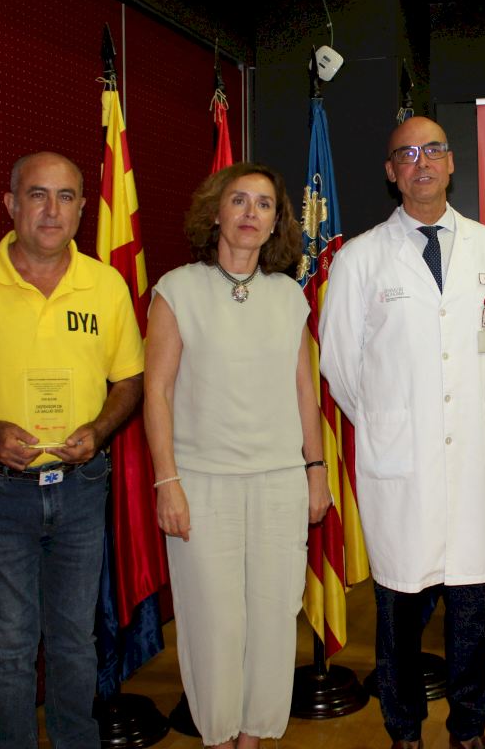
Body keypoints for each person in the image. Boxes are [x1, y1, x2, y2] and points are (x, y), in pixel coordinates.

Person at [0, 152, 145, 748]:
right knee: (9, 649)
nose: (51, 210)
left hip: (81, 490)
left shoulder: (106, 284)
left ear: (83, 209)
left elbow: (129, 380)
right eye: (38, 195)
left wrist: (100, 429)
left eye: (66, 197)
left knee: (75, 643)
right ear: (12, 205)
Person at [319, 116, 485, 749]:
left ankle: (469, 728)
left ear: (451, 162)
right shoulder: (358, 258)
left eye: (433, 149)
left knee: (471, 605)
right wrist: (391, 423)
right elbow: (339, 364)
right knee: (400, 608)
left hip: (472, 459)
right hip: (400, 464)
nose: (421, 162)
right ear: (391, 172)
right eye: (406, 154)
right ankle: (404, 729)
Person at [144, 162, 331, 749]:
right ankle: (220, 738)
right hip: (202, 485)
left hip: (279, 482)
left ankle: (252, 740)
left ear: (277, 222)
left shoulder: (288, 296)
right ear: (216, 212)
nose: (252, 213)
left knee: (274, 618)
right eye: (240, 200)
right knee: (214, 624)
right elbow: (157, 391)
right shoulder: (178, 289)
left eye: (265, 204)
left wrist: (317, 471)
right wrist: (167, 482)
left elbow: (304, 391)